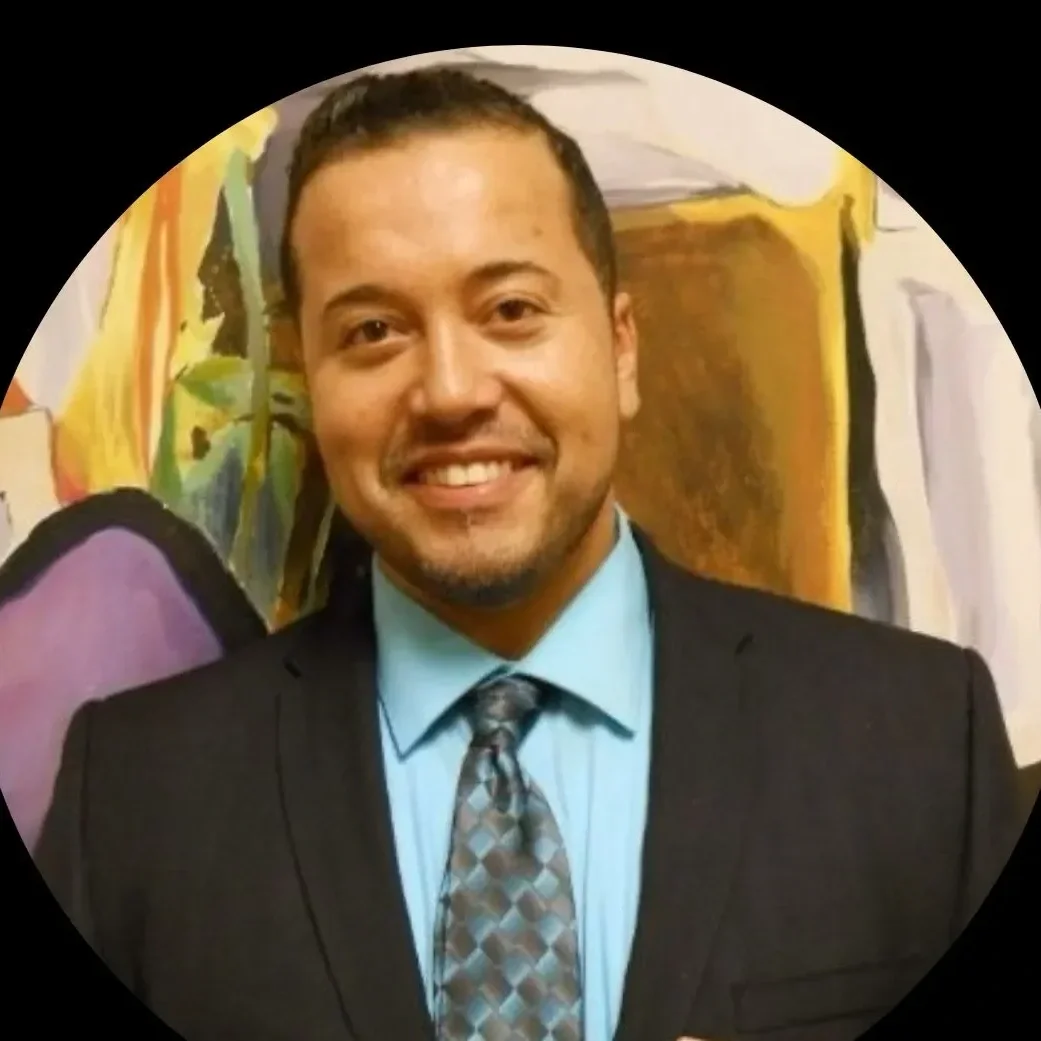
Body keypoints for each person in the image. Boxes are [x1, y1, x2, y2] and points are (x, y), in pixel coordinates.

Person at [34, 69, 1024, 1041]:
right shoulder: (131, 799)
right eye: (374, 331)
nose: (452, 391)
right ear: (310, 380)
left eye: (510, 309)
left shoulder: (921, 746)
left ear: (621, 347)